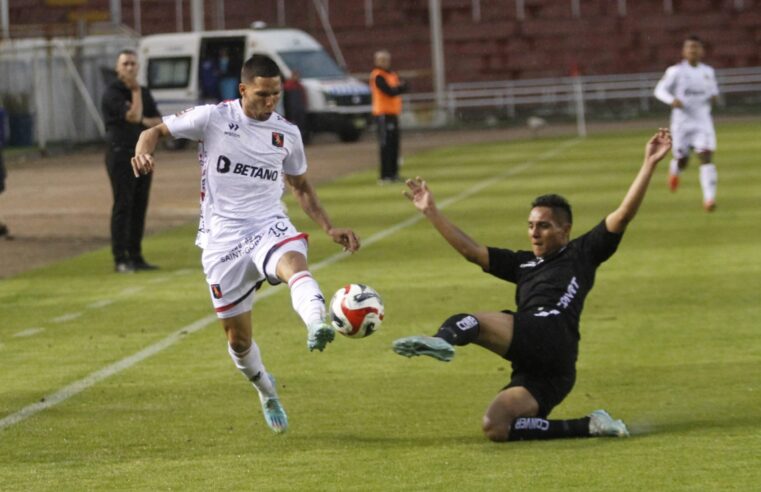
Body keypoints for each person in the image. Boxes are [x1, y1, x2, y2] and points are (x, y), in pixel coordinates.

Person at [392, 129, 673, 442]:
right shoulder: (523, 264)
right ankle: (590, 425)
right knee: (497, 426)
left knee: (472, 321)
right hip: (550, 369)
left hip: (550, 332)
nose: (534, 233)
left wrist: (649, 164)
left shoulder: (582, 252)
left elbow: (622, 215)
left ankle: (443, 340)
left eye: (543, 226)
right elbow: (472, 252)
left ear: (565, 230)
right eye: (530, 226)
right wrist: (431, 211)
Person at [131, 55, 360, 434]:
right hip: (222, 239)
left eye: (276, 95)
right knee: (238, 341)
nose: (270, 102)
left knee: (293, 266)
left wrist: (328, 227)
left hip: (269, 224)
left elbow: (300, 187)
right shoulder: (213, 117)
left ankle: (318, 322)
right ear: (242, 90)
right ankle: (266, 389)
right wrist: (142, 152)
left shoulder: (287, 133)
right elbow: (153, 132)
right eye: (262, 95)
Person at [101, 49, 163, 273]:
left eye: (132, 64)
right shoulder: (113, 92)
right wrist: (135, 91)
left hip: (143, 155)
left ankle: (136, 255)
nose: (129, 68)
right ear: (118, 68)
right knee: (123, 204)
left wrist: (143, 116)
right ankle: (120, 258)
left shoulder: (145, 92)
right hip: (121, 153)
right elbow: (134, 117)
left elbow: (157, 121)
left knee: (139, 204)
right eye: (125, 64)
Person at [654, 35, 720, 212]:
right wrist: (671, 100)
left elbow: (714, 91)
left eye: (696, 47)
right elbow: (659, 90)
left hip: (703, 122)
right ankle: (675, 170)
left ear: (702, 51)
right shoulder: (675, 71)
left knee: (705, 156)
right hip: (682, 123)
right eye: (690, 47)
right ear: (684, 51)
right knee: (683, 159)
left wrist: (714, 97)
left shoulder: (708, 71)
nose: (693, 50)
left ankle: (709, 199)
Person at [370, 50, 407, 184]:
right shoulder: (378, 75)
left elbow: (399, 88)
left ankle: (393, 173)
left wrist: (400, 88)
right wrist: (400, 88)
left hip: (393, 113)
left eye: (386, 60)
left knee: (394, 145)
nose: (385, 62)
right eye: (382, 60)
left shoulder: (391, 74)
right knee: (385, 145)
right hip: (383, 114)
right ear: (377, 61)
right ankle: (385, 175)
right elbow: (390, 91)